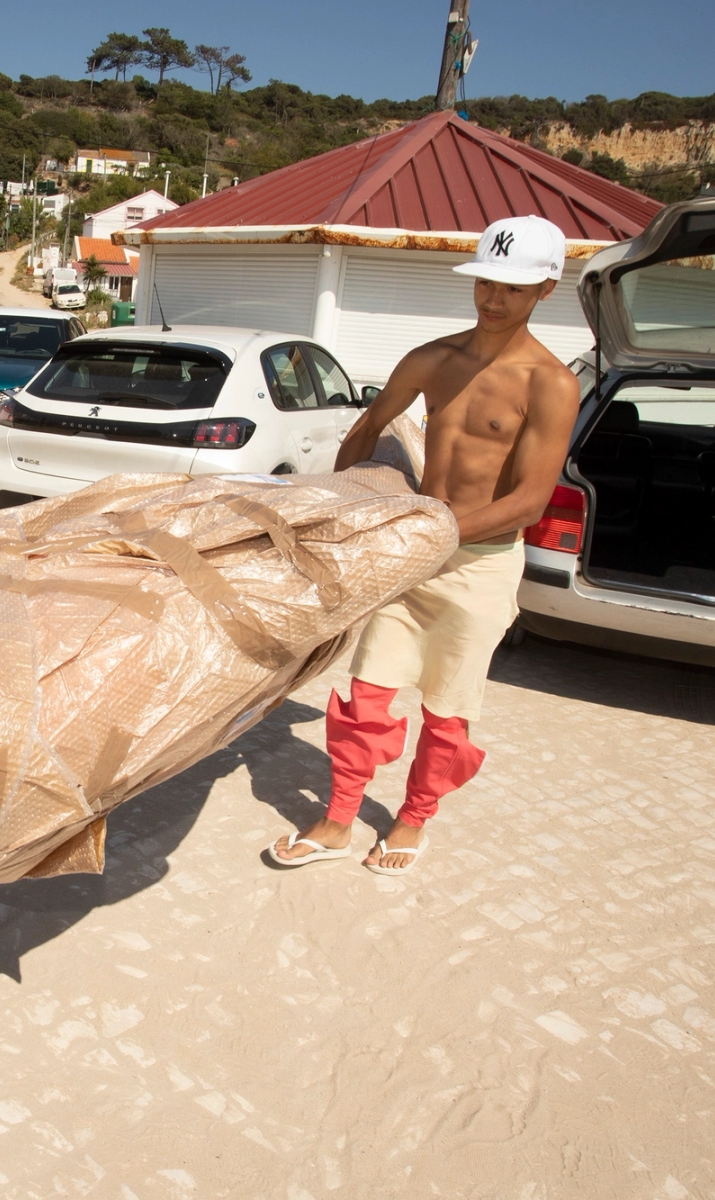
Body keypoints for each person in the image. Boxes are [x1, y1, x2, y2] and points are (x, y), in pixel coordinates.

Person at [265, 214, 581, 877]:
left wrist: (432, 532)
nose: (493, 299)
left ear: (546, 290)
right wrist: (345, 496)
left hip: (479, 567)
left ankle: (413, 820)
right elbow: (369, 428)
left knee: (448, 709)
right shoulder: (433, 359)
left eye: (512, 289)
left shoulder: (549, 384)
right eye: (486, 283)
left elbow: (530, 498)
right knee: (364, 698)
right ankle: (340, 819)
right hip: (410, 553)